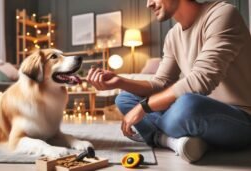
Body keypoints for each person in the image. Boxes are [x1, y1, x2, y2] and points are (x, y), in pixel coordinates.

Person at [86, 0, 251, 163]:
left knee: (188, 104)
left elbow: (200, 81)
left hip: (240, 119)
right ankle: (177, 140)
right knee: (125, 97)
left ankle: (161, 137)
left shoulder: (222, 14)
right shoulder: (173, 35)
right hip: (195, 115)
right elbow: (160, 84)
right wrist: (119, 81)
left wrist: (143, 108)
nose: (148, 4)